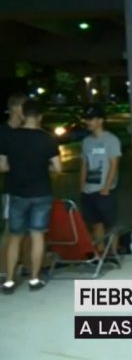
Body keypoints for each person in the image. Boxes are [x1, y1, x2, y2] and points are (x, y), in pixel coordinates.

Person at [0, 100, 61, 293]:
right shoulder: (48, 139)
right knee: (37, 236)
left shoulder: (10, 137)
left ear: (24, 114)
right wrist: (44, 167)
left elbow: (2, 166)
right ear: (40, 117)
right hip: (41, 193)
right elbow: (58, 168)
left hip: (17, 193)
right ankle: (34, 279)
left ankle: (9, 281)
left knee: (15, 237)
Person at [80, 105, 122, 256]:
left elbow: (114, 164)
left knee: (110, 223)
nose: (88, 122)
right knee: (96, 223)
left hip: (104, 190)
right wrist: (82, 185)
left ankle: (113, 252)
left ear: (100, 120)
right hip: (89, 189)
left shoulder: (111, 140)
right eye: (87, 119)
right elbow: (84, 164)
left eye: (91, 119)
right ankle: (100, 252)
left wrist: (107, 187)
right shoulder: (86, 142)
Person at [0, 93, 27, 281]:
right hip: (12, 189)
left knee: (30, 230)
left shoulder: (27, 131)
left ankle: (24, 265)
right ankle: (4, 269)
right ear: (15, 108)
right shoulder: (3, 132)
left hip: (31, 189)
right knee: (11, 230)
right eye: (25, 107)